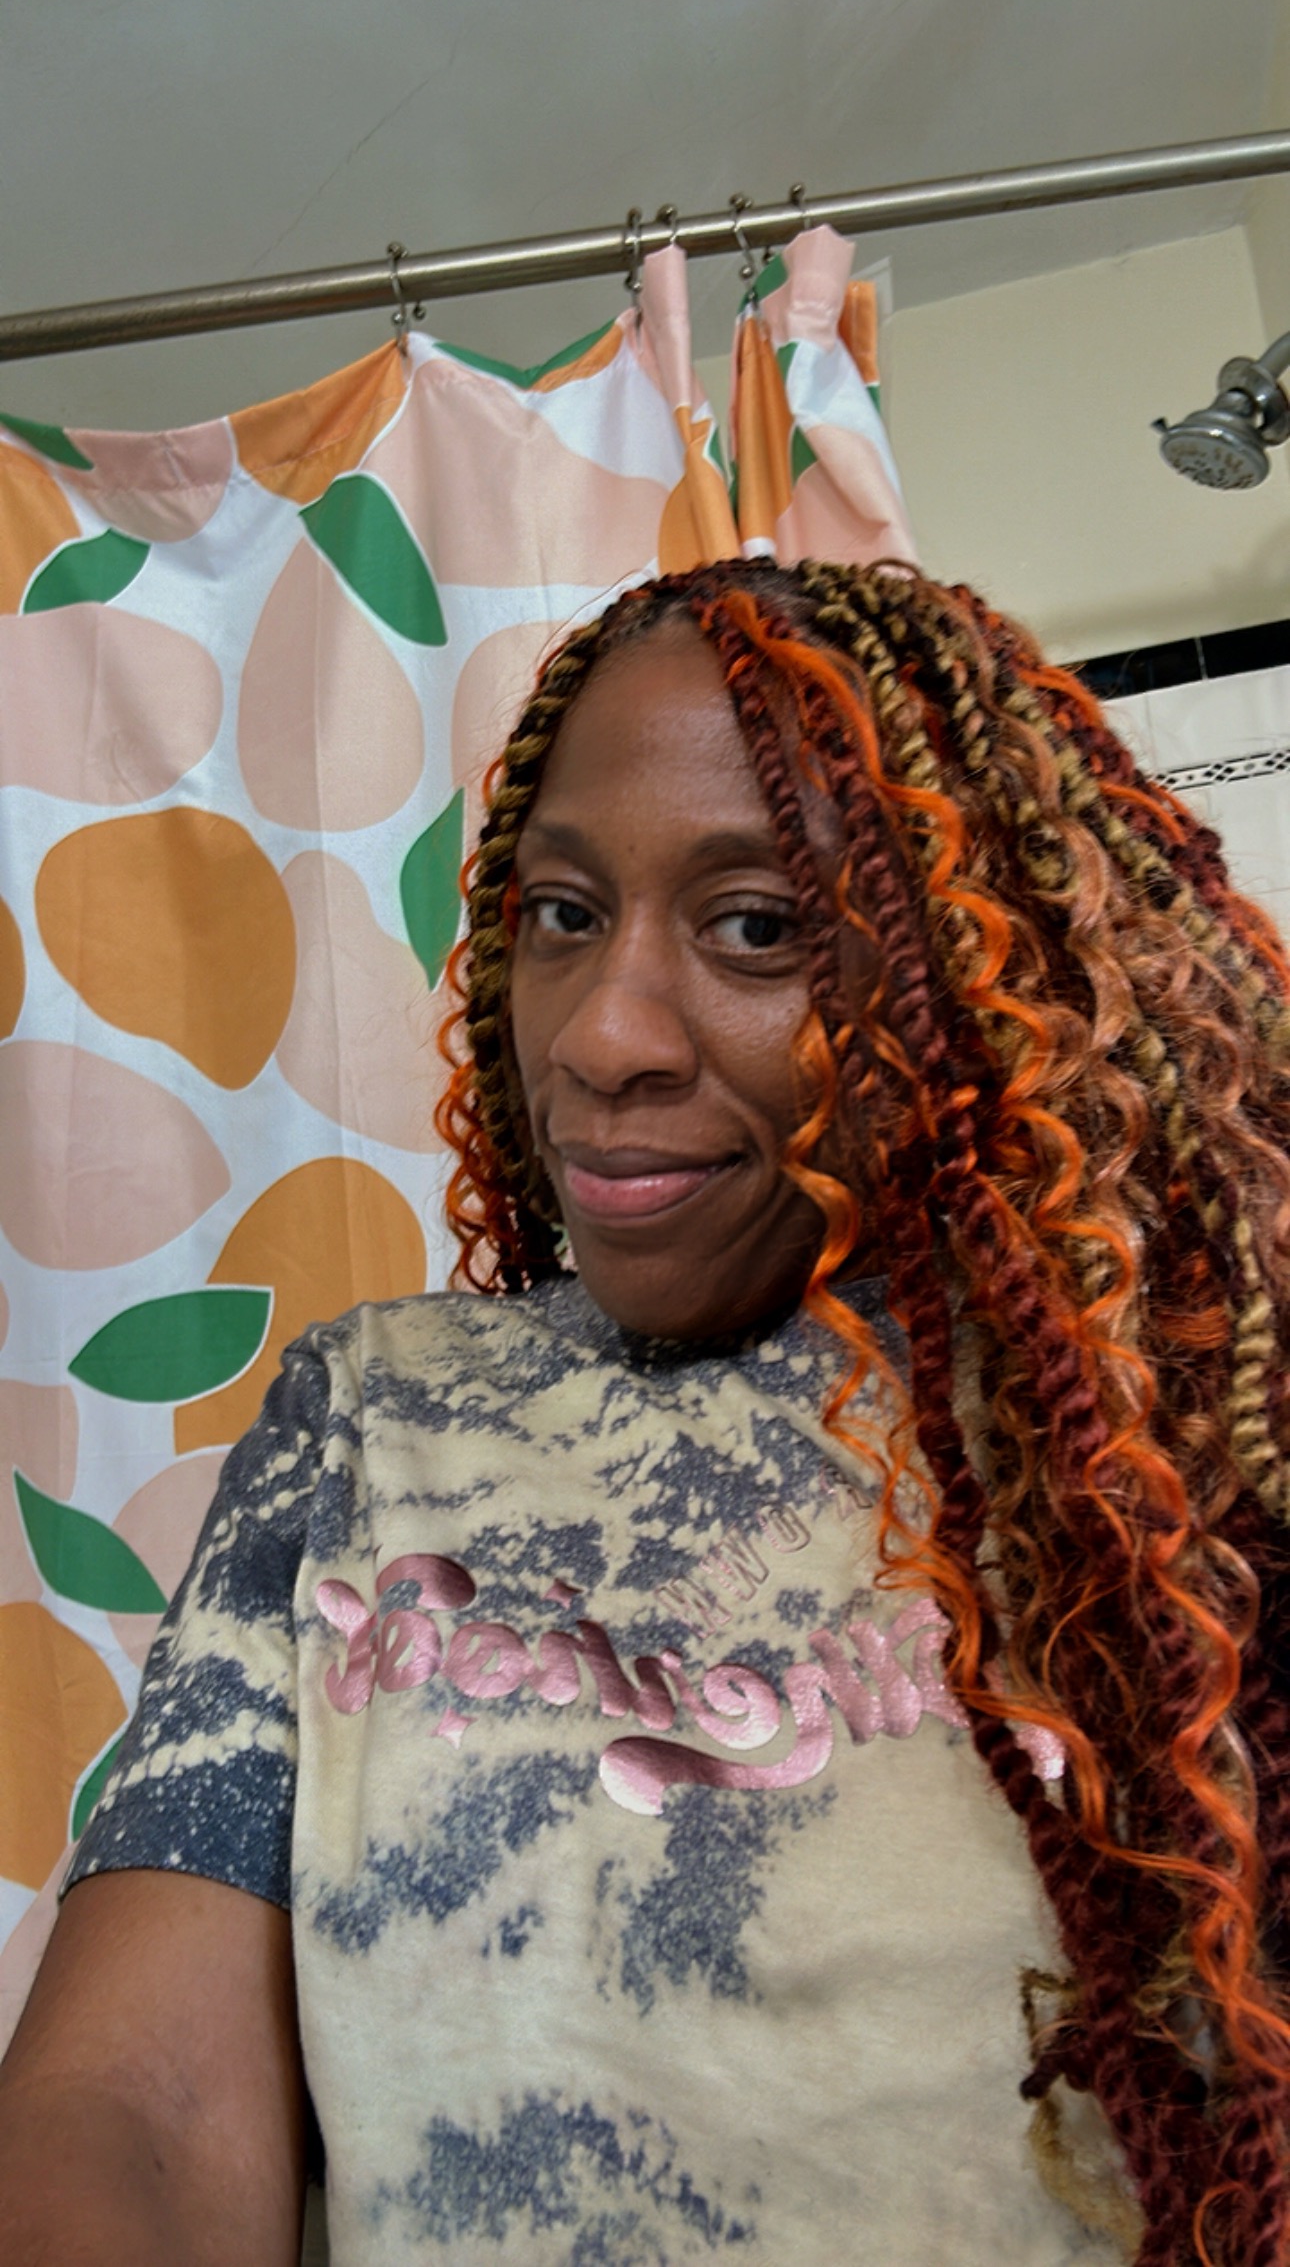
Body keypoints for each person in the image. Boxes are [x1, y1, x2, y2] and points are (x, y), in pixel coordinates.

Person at [1, 556, 1287, 2267]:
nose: (601, 1036)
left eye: (754, 924)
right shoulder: (365, 1424)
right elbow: (139, 2104)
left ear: (975, 963)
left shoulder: (1186, 1446)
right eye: (560, 913)